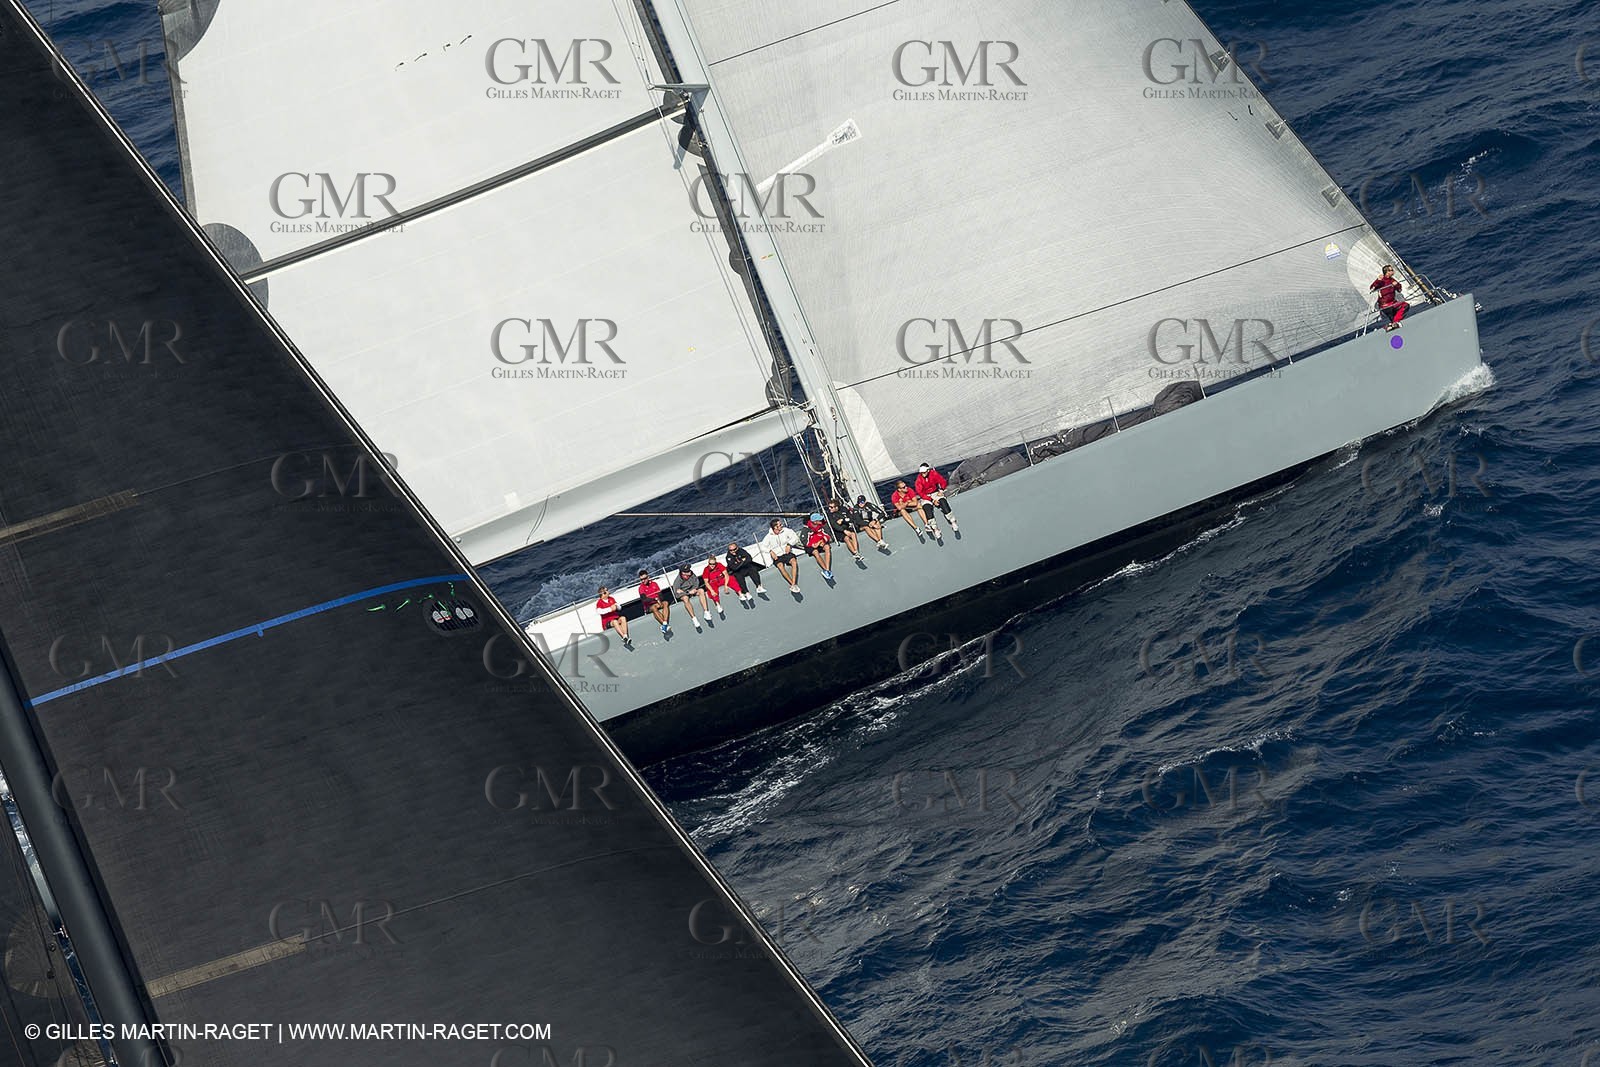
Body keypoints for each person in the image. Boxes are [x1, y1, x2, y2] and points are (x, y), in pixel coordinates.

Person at [759, 517, 804, 592]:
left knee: (793, 561)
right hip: (777, 555)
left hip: (786, 552)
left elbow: (795, 537)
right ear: (775, 527)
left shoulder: (786, 531)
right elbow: (763, 547)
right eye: (780, 525)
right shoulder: (768, 537)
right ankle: (793, 584)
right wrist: (770, 551)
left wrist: (789, 544)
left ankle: (793, 584)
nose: (782, 525)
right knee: (780, 566)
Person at [914, 462, 960, 533]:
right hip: (926, 496)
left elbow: (942, 481)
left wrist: (941, 490)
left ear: (928, 470)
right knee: (927, 507)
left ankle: (952, 521)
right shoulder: (918, 480)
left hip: (935, 493)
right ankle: (935, 528)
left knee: (943, 501)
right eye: (921, 472)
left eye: (924, 472)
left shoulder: (933, 473)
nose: (923, 474)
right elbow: (920, 493)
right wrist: (932, 500)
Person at [671, 565, 712, 631]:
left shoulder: (692, 575)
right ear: (683, 573)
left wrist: (694, 589)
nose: (689, 572)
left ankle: (706, 612)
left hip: (692, 591)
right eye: (687, 571)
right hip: (685, 594)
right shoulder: (677, 581)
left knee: (701, 591)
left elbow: (696, 583)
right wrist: (687, 592)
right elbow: (677, 594)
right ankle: (694, 619)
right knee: (685, 598)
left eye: (689, 570)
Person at [1370, 264, 1409, 330]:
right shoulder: (1381, 280)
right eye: (1391, 270)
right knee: (1398, 310)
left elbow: (1399, 290)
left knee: (1405, 306)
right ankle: (1394, 323)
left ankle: (1393, 324)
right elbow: (1372, 288)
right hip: (1384, 305)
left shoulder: (1392, 280)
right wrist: (1378, 280)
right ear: (1387, 272)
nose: (1393, 271)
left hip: (1393, 303)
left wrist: (1397, 285)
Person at [825, 498, 863, 563]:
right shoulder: (829, 514)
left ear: (836, 507)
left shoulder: (844, 509)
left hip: (847, 527)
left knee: (853, 534)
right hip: (838, 531)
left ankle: (856, 552)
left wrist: (843, 520)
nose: (829, 508)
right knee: (846, 538)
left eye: (831, 507)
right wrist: (843, 530)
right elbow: (834, 525)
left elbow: (851, 518)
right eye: (829, 507)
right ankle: (855, 553)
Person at [636, 568, 671, 635]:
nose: (643, 581)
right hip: (649, 606)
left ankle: (664, 624)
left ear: (648, 577)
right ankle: (665, 625)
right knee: (654, 607)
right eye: (641, 579)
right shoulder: (641, 588)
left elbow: (660, 595)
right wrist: (655, 599)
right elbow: (644, 600)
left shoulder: (654, 584)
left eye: (645, 578)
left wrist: (659, 600)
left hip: (657, 602)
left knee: (665, 603)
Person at [803, 511, 835, 580]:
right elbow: (804, 541)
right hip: (811, 546)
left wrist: (822, 541)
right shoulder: (806, 529)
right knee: (815, 552)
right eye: (819, 520)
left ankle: (827, 570)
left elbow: (827, 535)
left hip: (820, 542)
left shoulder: (822, 526)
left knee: (827, 547)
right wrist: (813, 545)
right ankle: (826, 570)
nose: (821, 520)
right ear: (815, 522)